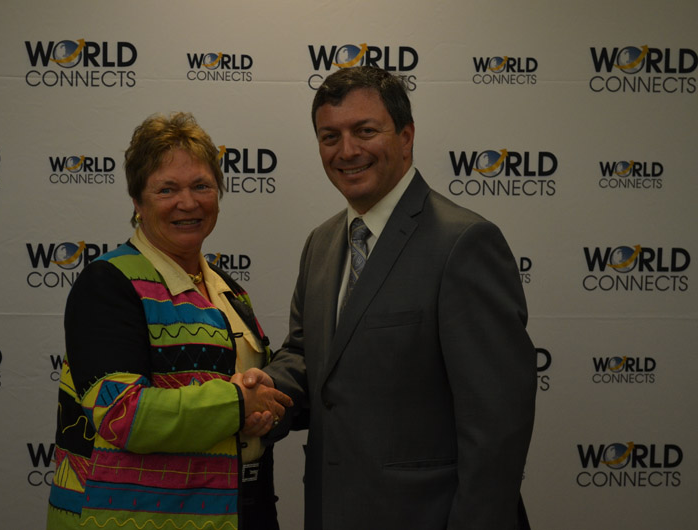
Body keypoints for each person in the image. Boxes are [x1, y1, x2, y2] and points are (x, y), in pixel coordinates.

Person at [241, 66, 537, 529]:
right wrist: (265, 393)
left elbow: (497, 424)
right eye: (330, 136)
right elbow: (308, 356)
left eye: (365, 131)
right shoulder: (321, 243)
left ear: (406, 137)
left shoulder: (464, 243)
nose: (347, 151)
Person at [47, 112, 292, 530]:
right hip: (139, 517)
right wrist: (237, 404)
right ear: (137, 202)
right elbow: (120, 413)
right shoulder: (108, 283)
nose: (188, 202)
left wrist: (262, 415)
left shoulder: (228, 290)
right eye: (167, 189)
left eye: (202, 186)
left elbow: (252, 394)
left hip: (242, 507)